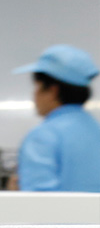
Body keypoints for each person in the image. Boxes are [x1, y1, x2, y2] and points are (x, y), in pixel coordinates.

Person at [10, 44, 100, 192]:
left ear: (53, 91)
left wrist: (14, 196)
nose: (34, 95)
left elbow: (39, 200)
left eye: (37, 87)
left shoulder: (43, 136)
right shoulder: (96, 130)